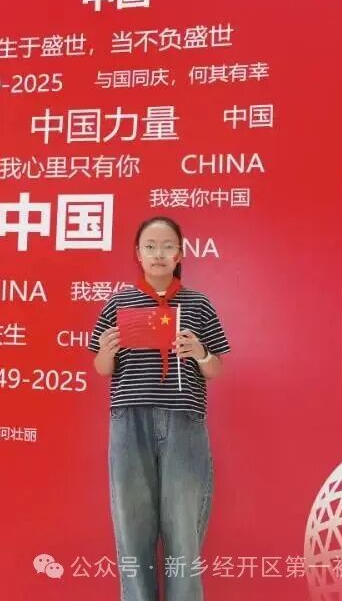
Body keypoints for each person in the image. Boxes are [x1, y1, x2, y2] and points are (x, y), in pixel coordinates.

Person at [88, 216, 231, 601]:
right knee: (131, 526)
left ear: (180, 254)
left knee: (183, 529)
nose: (158, 254)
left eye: (168, 246)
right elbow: (101, 368)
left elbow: (216, 368)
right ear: (137, 254)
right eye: (150, 246)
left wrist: (200, 352)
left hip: (184, 420)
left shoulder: (198, 304)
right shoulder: (117, 303)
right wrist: (107, 351)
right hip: (129, 421)